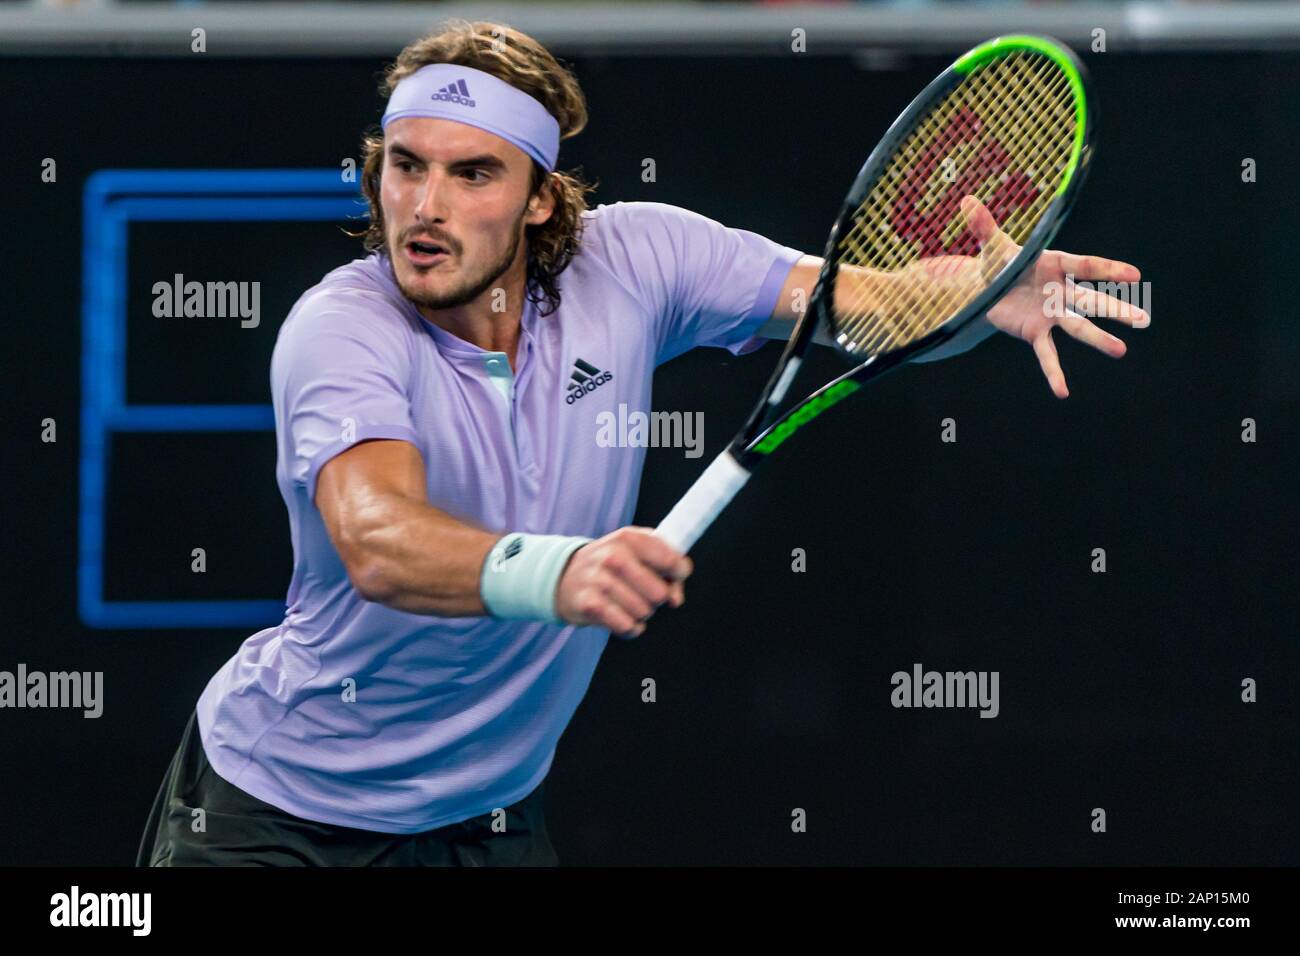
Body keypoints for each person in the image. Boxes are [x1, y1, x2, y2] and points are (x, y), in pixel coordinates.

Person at [138, 19, 1146, 867]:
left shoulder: (641, 259)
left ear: (539, 196)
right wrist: (559, 570)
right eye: (405, 167)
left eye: (472, 173)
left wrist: (975, 292)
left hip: (483, 817)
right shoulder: (341, 327)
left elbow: (861, 304)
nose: (425, 207)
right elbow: (375, 538)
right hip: (273, 818)